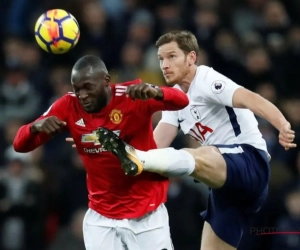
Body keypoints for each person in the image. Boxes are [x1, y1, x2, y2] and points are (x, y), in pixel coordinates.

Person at [94, 31, 297, 250]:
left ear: (191, 58)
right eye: (161, 59)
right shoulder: (174, 98)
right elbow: (153, 148)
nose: (165, 64)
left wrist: (282, 124)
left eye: (172, 56)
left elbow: (251, 98)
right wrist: (101, 148)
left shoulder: (207, 80)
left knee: (194, 155)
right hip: (223, 187)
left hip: (248, 164)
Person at [13, 55, 189, 250]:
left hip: (146, 215)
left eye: (88, 87)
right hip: (101, 218)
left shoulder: (132, 95)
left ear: (106, 81)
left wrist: (156, 92)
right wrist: (35, 127)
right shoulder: (68, 105)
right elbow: (20, 145)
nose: (82, 95)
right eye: (77, 88)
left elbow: (182, 101)